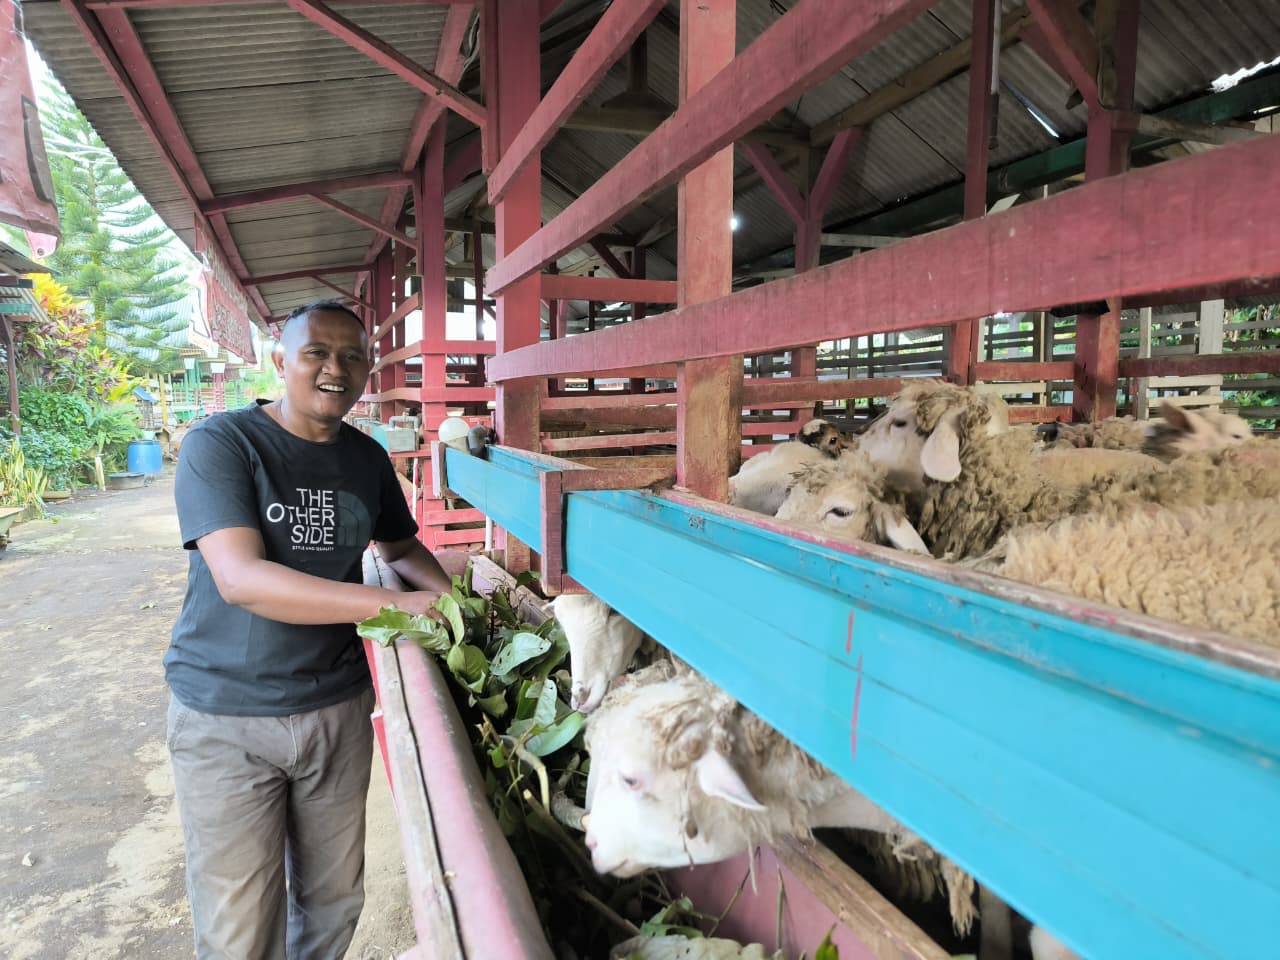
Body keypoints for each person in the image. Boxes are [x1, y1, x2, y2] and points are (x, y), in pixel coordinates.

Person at [165, 300, 451, 959]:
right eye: (316, 353)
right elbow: (241, 579)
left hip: (335, 710)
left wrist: (454, 604)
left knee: (332, 903)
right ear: (280, 360)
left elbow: (401, 548)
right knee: (239, 927)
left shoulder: (367, 458)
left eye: (352, 357)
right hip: (227, 716)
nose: (335, 369)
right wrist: (394, 609)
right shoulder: (222, 444)